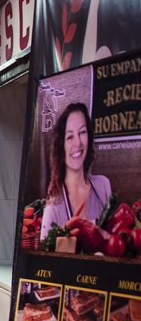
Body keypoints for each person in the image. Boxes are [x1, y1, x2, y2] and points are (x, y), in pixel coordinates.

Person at [40, 102, 111, 241]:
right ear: (61, 146)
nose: (78, 142)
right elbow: (44, 257)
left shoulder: (103, 186)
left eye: (82, 132)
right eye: (70, 136)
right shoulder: (53, 208)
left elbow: (115, 239)